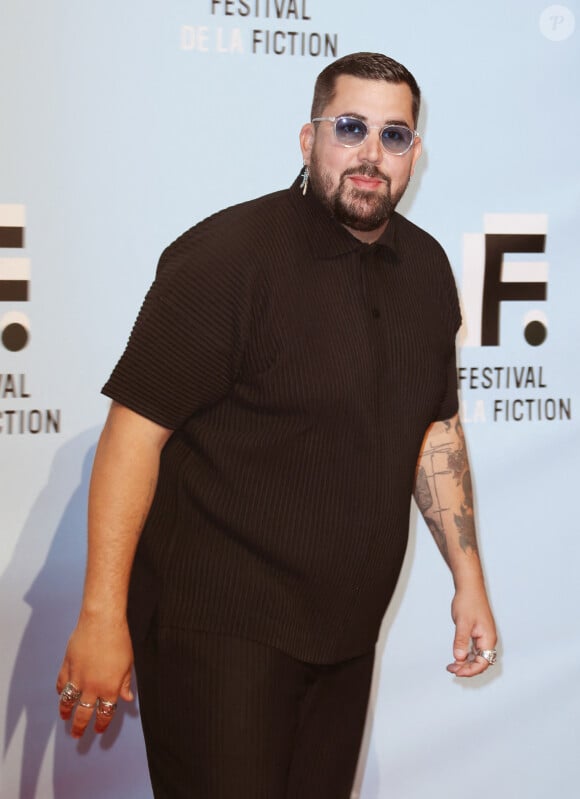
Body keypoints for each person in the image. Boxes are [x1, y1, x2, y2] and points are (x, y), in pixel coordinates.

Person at [57, 52, 497, 798]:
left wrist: (469, 575)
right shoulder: (227, 259)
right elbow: (134, 433)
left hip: (346, 634)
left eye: (394, 136)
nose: (370, 154)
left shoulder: (426, 270)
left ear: (414, 154)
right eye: (350, 128)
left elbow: (434, 430)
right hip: (217, 630)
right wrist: (102, 613)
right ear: (308, 138)